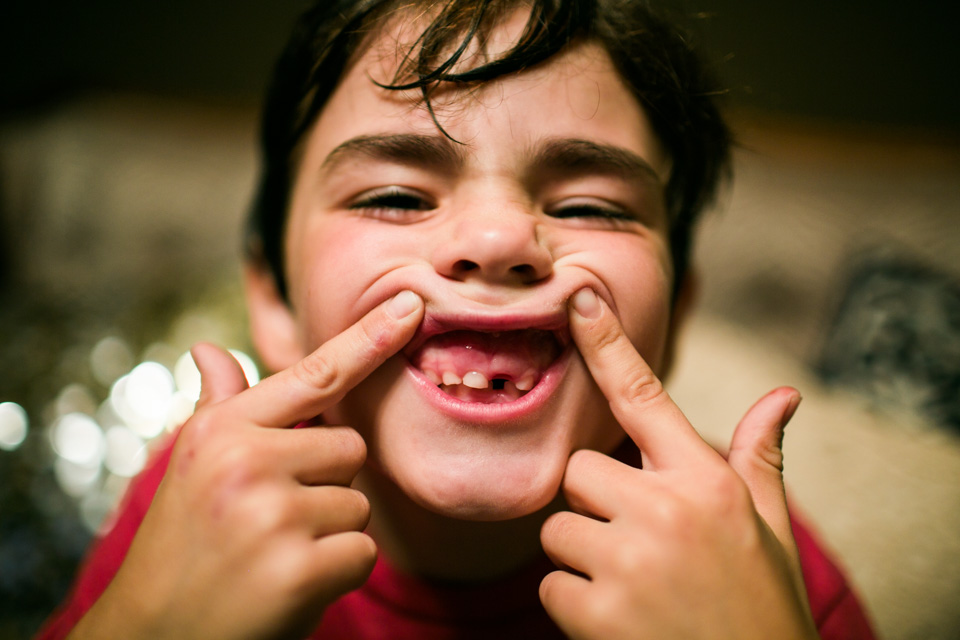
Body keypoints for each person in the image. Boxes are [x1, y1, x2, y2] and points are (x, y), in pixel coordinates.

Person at [38, 1, 877, 638]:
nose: (498, 238)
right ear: (275, 305)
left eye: (589, 205)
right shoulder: (207, 508)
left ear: (677, 315)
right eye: (396, 195)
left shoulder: (746, 558)